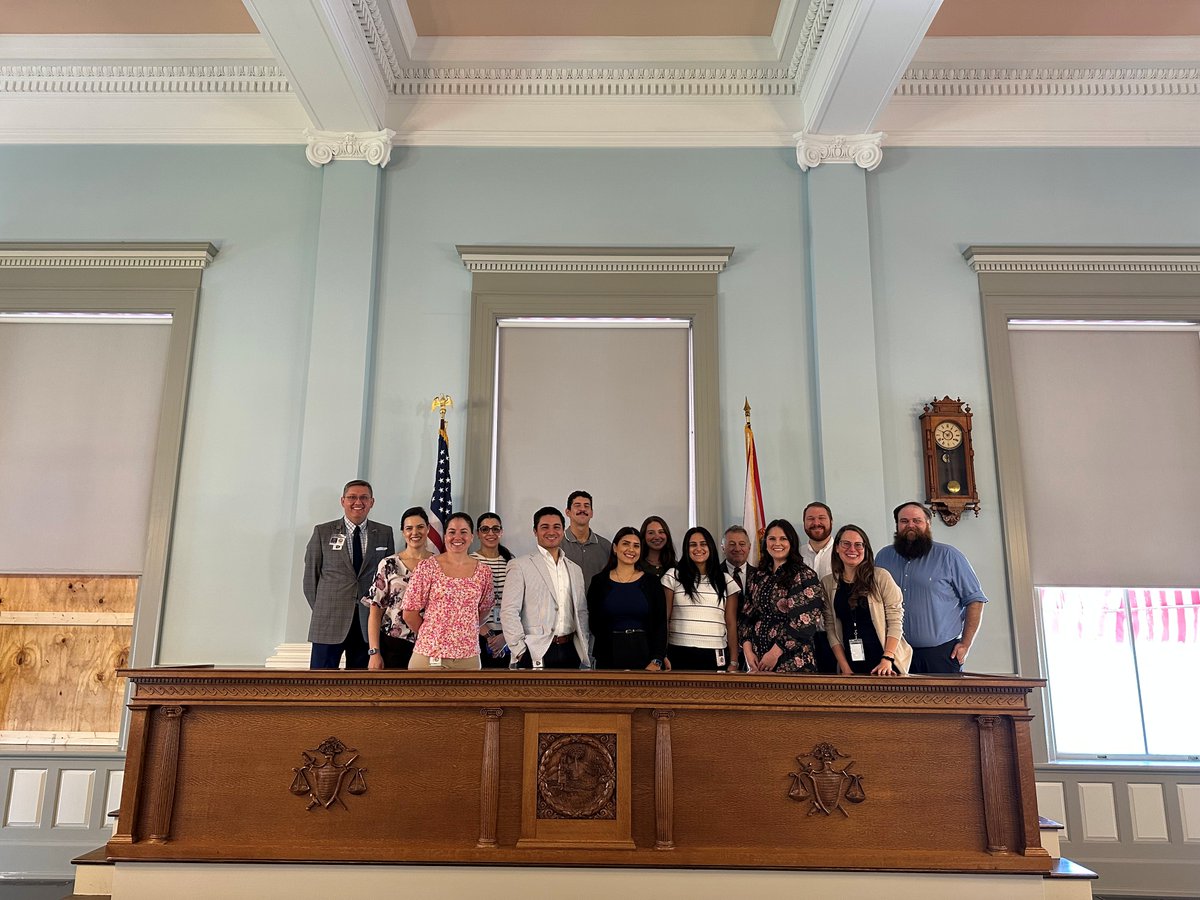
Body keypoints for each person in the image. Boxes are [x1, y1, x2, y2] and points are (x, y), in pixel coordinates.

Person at [875, 501, 988, 674]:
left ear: (928, 524)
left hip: (941, 655)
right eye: (904, 521)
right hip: (894, 655)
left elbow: (975, 600)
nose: (910, 525)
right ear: (897, 525)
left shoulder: (949, 556)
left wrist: (966, 644)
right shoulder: (883, 557)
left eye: (917, 521)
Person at [303, 480, 395, 670]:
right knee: (321, 686)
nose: (358, 502)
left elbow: (388, 579)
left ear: (372, 502)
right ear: (343, 501)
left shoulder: (384, 533)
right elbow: (310, 579)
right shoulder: (323, 532)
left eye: (364, 497)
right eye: (352, 497)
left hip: (367, 623)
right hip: (329, 621)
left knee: (360, 688)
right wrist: (324, 608)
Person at [501, 506, 592, 669]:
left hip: (571, 649)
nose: (551, 531)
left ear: (563, 531)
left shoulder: (574, 569)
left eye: (556, 527)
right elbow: (509, 611)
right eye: (545, 527)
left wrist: (584, 646)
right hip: (536, 651)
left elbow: (581, 611)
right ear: (535, 531)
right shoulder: (520, 565)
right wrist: (520, 650)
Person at [401, 512, 494, 670]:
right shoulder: (427, 567)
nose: (457, 537)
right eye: (452, 532)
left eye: (463, 532)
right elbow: (410, 613)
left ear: (472, 536)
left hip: (469, 656)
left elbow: (484, 610)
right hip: (430, 654)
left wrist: (462, 631)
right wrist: (433, 635)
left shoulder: (484, 572)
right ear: (445, 536)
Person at [821, 524, 911, 676]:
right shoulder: (828, 583)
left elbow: (895, 621)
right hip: (850, 663)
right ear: (836, 548)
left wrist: (887, 658)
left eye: (858, 545)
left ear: (865, 549)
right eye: (846, 544)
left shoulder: (881, 577)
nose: (852, 549)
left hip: (886, 662)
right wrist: (845, 668)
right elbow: (831, 628)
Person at [739, 518, 826, 674]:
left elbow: (805, 622)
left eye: (783, 539)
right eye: (772, 538)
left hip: (792, 661)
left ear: (791, 542)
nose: (777, 543)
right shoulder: (758, 575)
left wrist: (774, 653)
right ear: (765, 543)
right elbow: (747, 614)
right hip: (757, 661)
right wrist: (747, 650)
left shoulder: (804, 575)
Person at [362, 506, 435, 670]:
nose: (414, 532)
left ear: (428, 529)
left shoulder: (439, 565)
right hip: (394, 645)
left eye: (420, 527)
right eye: (409, 528)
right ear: (403, 532)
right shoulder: (389, 564)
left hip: (430, 645)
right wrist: (374, 653)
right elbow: (375, 612)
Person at [586, 527, 667, 671]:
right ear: (615, 548)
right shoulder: (599, 582)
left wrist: (657, 659)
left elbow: (660, 625)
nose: (631, 549)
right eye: (626, 544)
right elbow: (593, 623)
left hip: (645, 658)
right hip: (608, 658)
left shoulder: (652, 583)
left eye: (636, 546)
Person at [661, 526, 740, 672]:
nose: (698, 548)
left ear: (710, 547)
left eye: (703, 544)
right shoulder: (673, 576)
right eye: (693, 545)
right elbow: (664, 618)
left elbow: (731, 624)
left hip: (715, 653)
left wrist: (734, 661)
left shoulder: (726, 580)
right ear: (686, 548)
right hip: (678, 652)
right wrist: (662, 654)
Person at [800, 502, 838, 674]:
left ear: (831, 521)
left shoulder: (843, 553)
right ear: (804, 523)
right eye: (811, 519)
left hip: (837, 635)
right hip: (802, 637)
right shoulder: (795, 555)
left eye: (821, 518)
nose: (816, 523)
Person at [472, 511, 513, 669]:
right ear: (477, 533)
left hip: (507, 635)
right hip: (478, 634)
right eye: (485, 529)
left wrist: (505, 637)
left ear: (501, 532)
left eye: (495, 529)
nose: (491, 533)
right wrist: (488, 635)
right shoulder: (471, 562)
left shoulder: (511, 561)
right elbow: (465, 605)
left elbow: (519, 603)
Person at [561, 490, 612, 590]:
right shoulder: (558, 545)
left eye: (586, 506)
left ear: (591, 513)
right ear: (568, 512)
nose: (582, 509)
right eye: (577, 505)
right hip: (566, 604)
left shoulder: (605, 546)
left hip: (597, 604)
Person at [638, 515, 677, 580]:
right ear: (643, 536)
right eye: (651, 533)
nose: (657, 537)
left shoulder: (676, 567)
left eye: (661, 532)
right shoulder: (636, 566)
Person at [720, 525, 755, 590]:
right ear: (723, 548)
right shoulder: (713, 574)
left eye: (742, 544)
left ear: (749, 547)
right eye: (732, 544)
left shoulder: (759, 576)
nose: (737, 549)